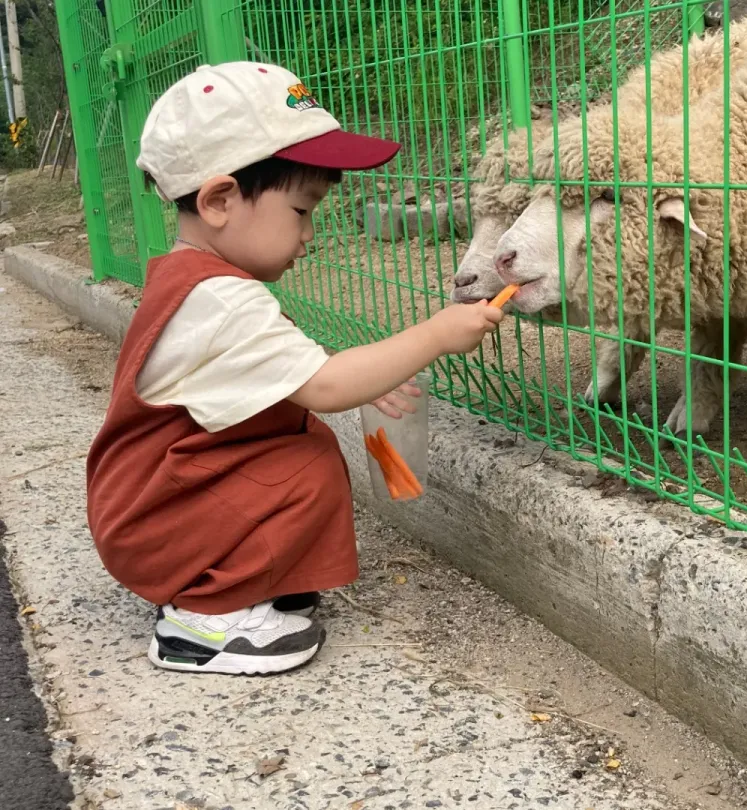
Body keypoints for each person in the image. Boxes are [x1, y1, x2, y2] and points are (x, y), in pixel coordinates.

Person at [85, 61, 503, 676]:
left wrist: (369, 376)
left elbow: (284, 371)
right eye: (301, 210)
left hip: (153, 511)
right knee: (300, 469)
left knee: (302, 450)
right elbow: (326, 386)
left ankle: (238, 579)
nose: (309, 233)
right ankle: (200, 620)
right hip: (153, 525)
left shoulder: (196, 281)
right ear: (220, 201)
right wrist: (436, 334)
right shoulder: (220, 298)